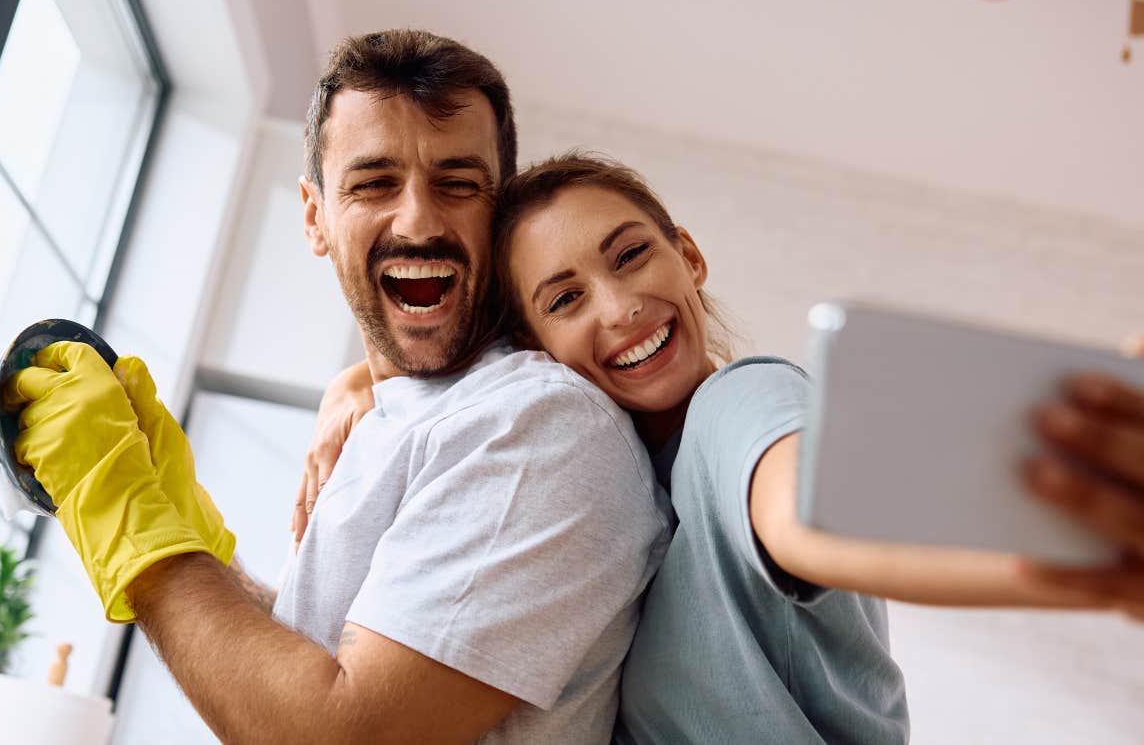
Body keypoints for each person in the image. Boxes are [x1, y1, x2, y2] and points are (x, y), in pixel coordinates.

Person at [303, 154, 1144, 743]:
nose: (622, 305)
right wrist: (359, 388)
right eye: (567, 298)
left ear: (688, 256)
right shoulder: (615, 504)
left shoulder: (739, 403)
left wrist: (1062, 562)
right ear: (536, 354)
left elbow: (812, 512)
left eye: (631, 255)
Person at [3, 31, 670, 743]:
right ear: (315, 214)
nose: (417, 219)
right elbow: (322, 663)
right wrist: (188, 529)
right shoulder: (392, 420)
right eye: (374, 182)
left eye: (457, 182)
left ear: (499, 213)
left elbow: (341, 730)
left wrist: (127, 519)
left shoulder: (538, 425)